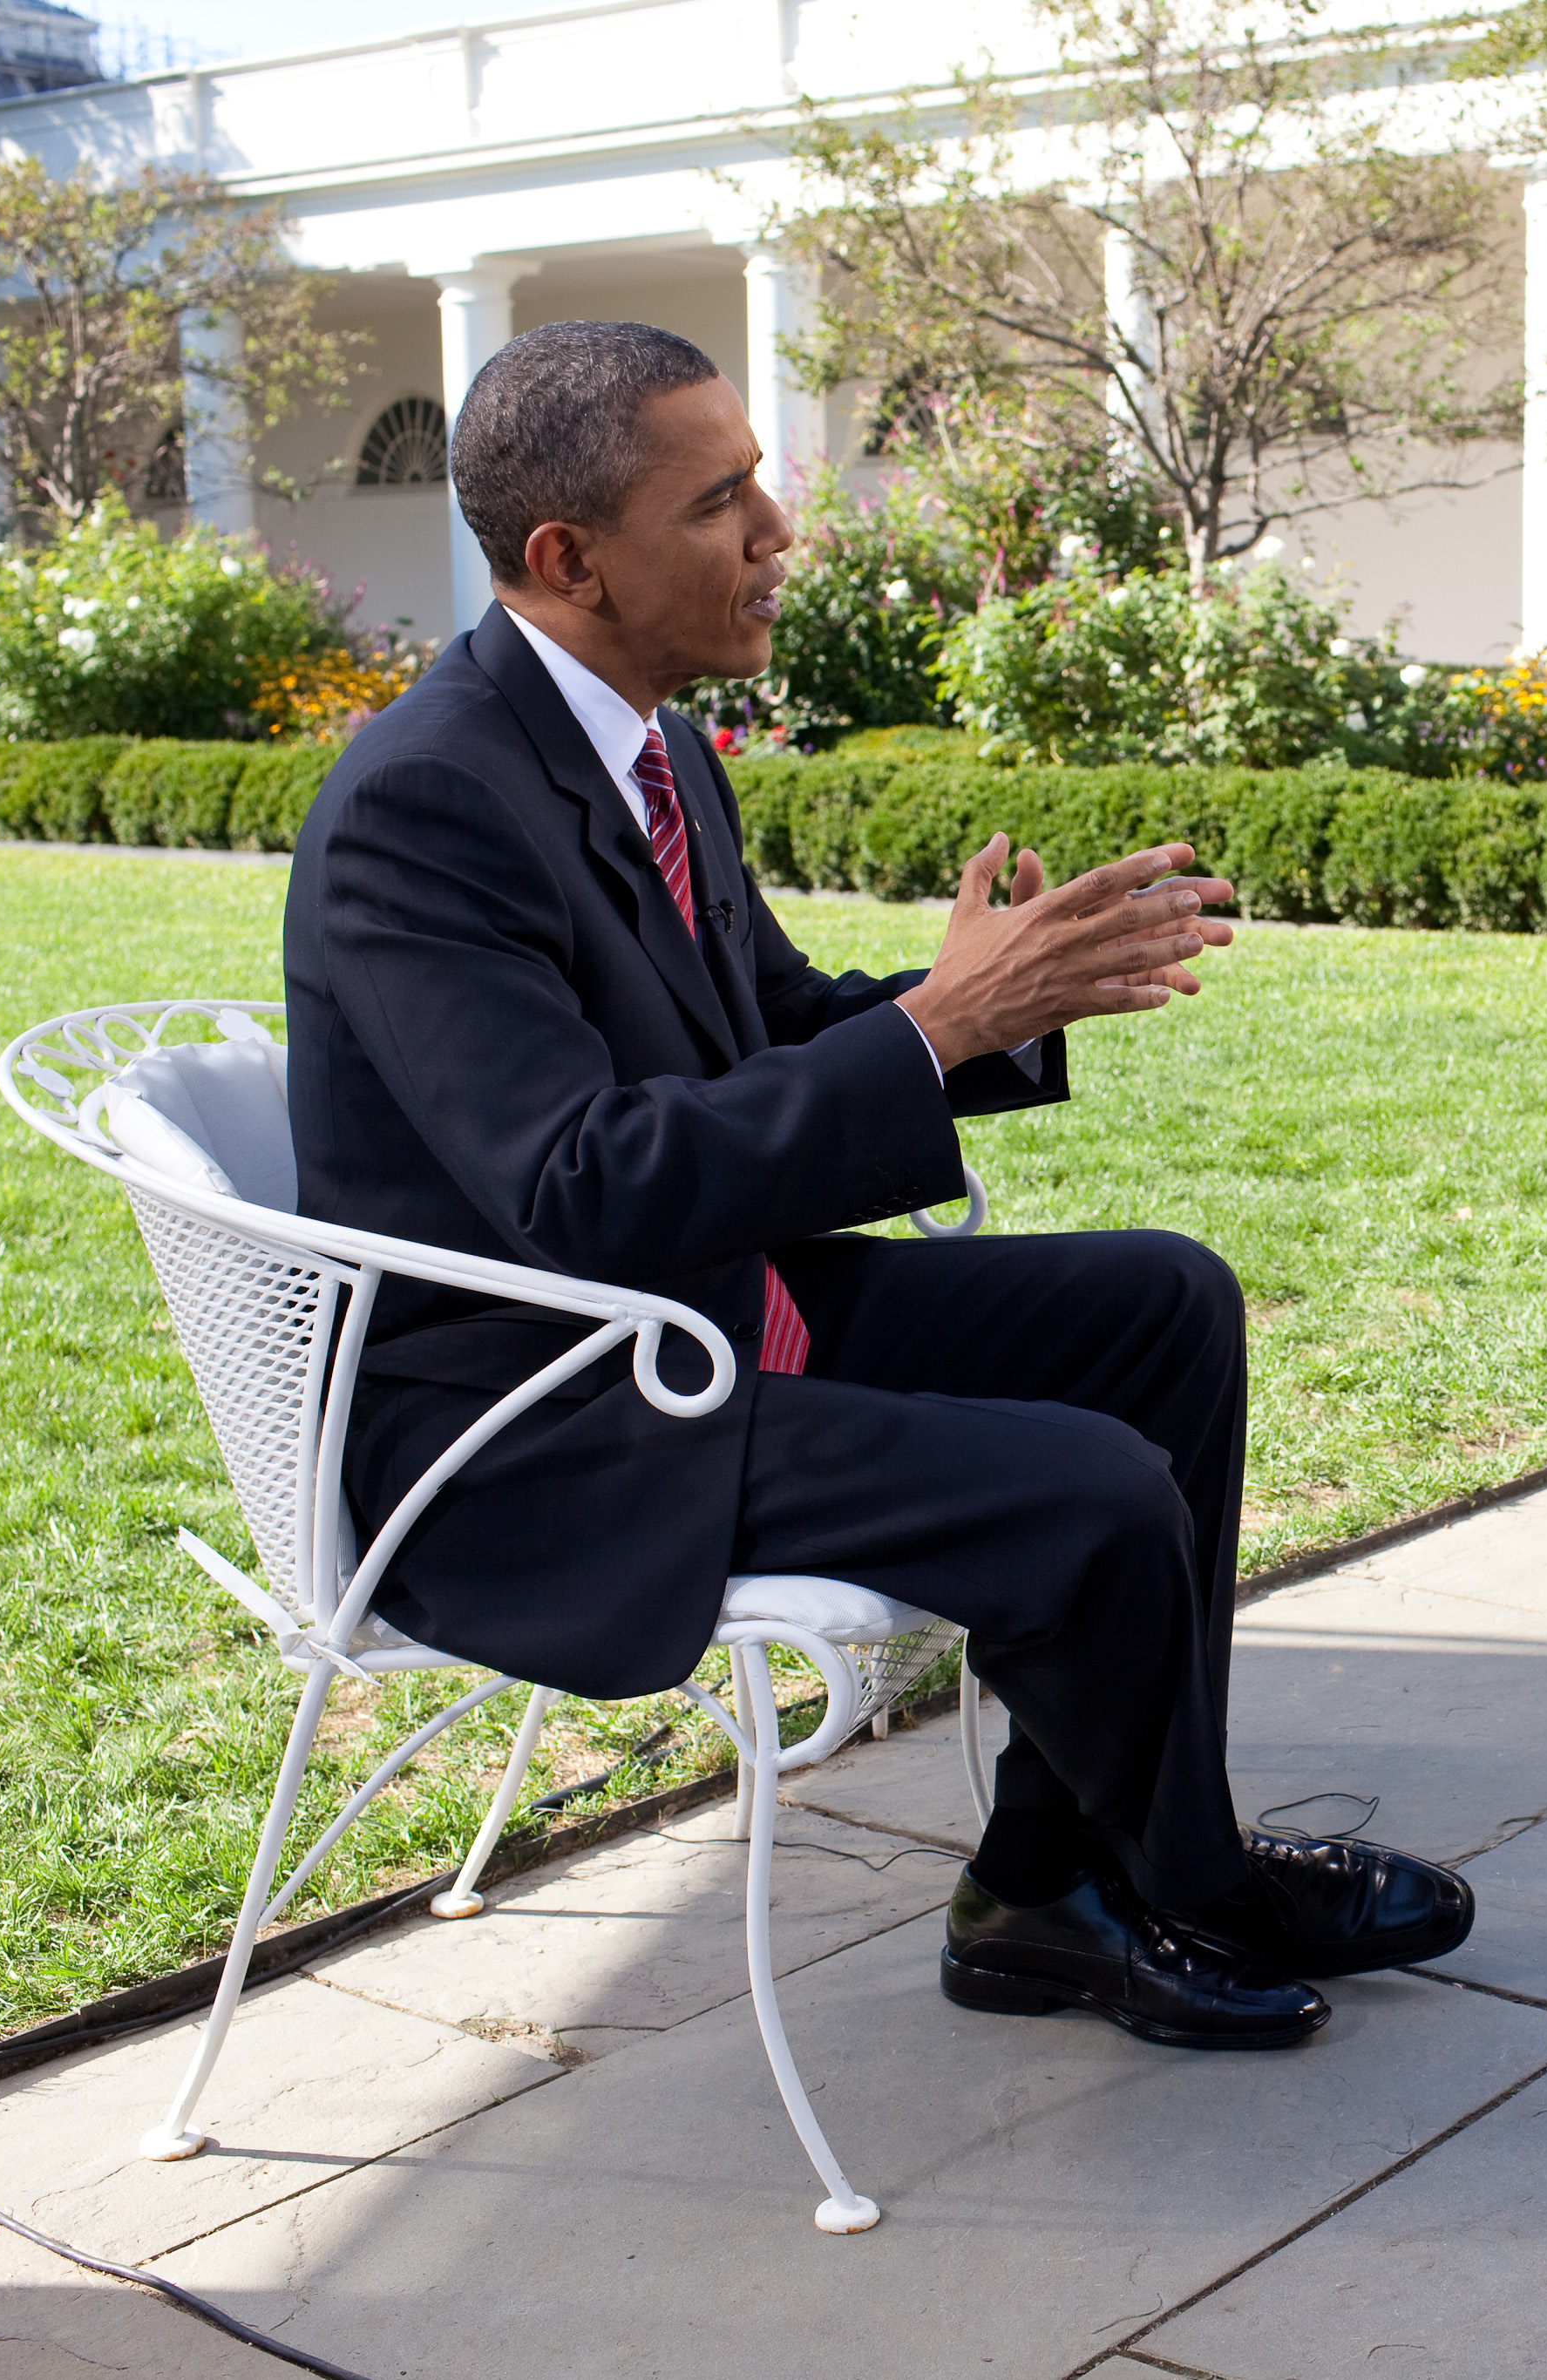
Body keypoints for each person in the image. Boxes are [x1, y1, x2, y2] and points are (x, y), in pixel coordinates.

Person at [283, 318, 1470, 2054]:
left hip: (696, 1323)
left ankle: (1049, 1891)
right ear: (569, 560)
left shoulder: (655, 753)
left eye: (761, 480)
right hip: (539, 1422)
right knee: (1082, 1486)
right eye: (722, 499)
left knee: (1161, 1309)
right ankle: (1183, 1877)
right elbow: (579, 1183)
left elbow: (759, 1034)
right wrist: (935, 1023)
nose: (778, 531)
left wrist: (996, 1009)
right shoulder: (423, 804)